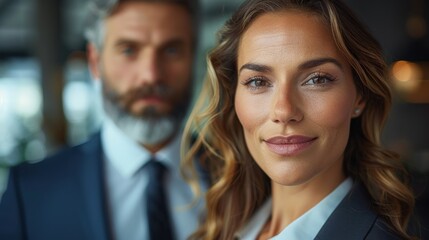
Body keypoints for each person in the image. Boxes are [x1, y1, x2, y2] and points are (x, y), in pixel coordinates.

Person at [181, 0, 419, 239]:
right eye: (258, 82)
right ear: (234, 96)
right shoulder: (222, 229)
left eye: (317, 79)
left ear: (359, 96)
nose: (283, 111)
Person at [0, 0, 202, 239]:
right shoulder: (31, 193)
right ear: (95, 62)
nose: (151, 75)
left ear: (193, 58)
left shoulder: (244, 176)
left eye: (171, 50)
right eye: (128, 50)